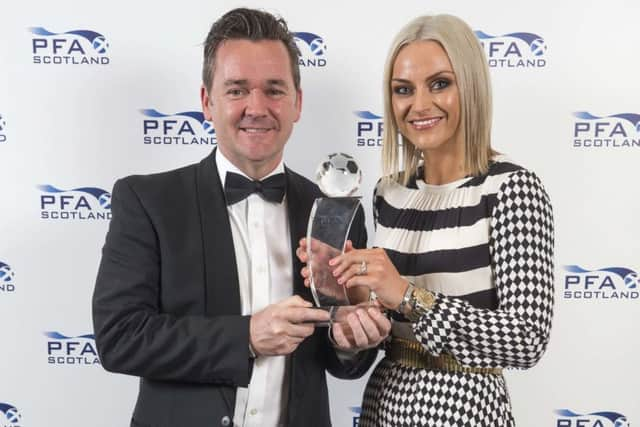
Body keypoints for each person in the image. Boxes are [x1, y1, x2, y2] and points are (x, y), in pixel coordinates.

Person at [92, 8, 389, 427]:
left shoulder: (334, 211)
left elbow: (342, 362)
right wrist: (246, 336)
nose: (256, 107)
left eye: (274, 90)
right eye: (236, 90)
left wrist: (348, 342)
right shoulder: (146, 201)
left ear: (297, 103)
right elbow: (119, 338)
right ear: (206, 102)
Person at [300, 14, 554, 426]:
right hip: (384, 402)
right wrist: (351, 304)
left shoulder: (511, 189)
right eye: (403, 90)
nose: (419, 105)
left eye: (440, 83)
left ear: (470, 86)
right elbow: (381, 330)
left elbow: (526, 339)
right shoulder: (389, 192)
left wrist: (406, 295)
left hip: (466, 407)